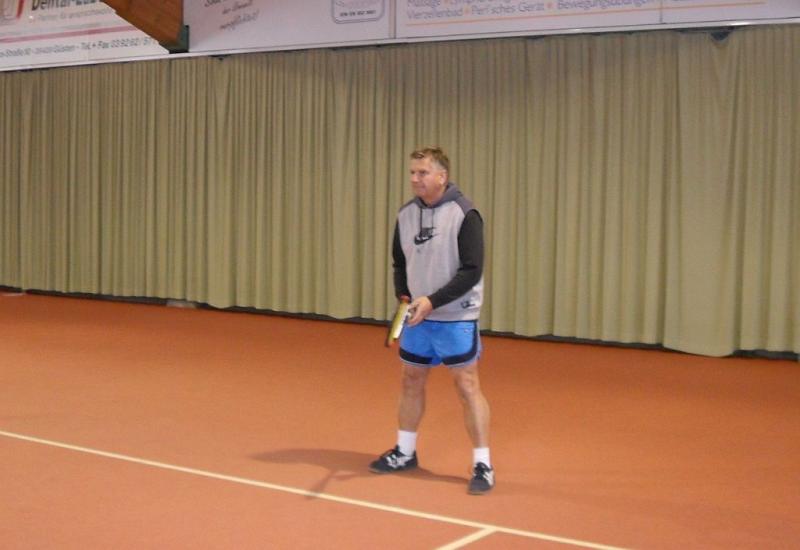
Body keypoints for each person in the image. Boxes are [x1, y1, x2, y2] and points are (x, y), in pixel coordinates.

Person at [369, 146, 494, 495]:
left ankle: (483, 463)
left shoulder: (465, 214)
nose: (415, 179)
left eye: (422, 173)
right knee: (411, 379)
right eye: (412, 172)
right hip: (417, 317)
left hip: (456, 315)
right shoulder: (405, 215)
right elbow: (400, 263)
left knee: (467, 386)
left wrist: (433, 301)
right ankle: (405, 452)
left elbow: (472, 270)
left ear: (442, 176)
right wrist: (404, 297)